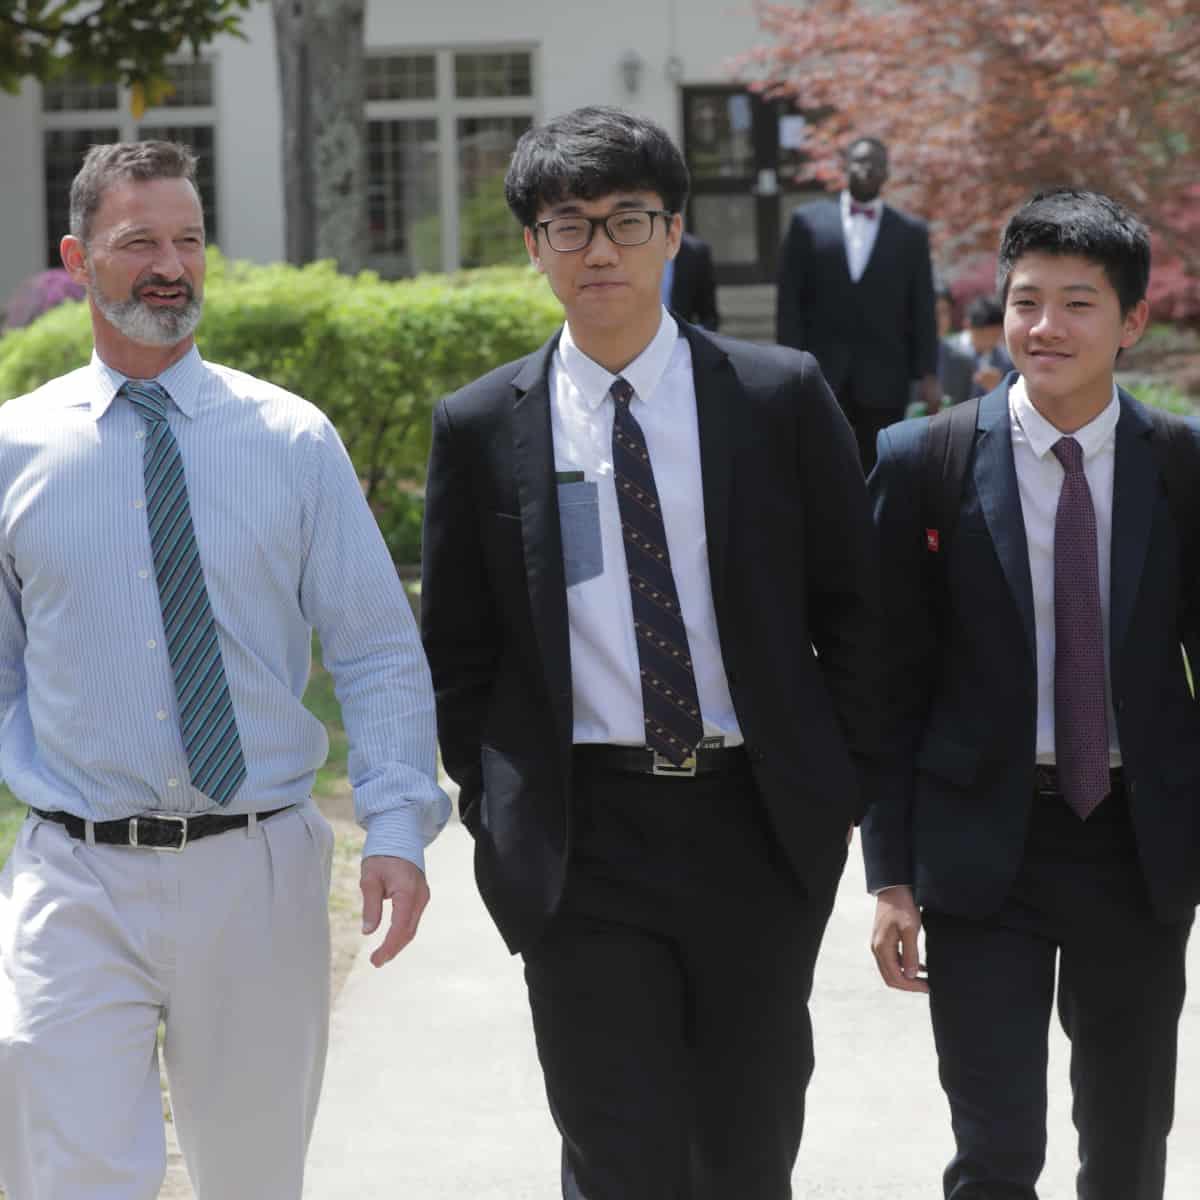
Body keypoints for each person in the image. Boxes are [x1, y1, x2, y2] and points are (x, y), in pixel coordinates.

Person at [421, 105, 881, 1200]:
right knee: (617, 1154)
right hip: (585, 840)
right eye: (566, 225)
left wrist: (834, 788)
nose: (600, 250)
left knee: (745, 1148)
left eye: (628, 220)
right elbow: (461, 652)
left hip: (753, 824)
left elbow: (857, 614)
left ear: (676, 233)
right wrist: (499, 812)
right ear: (533, 246)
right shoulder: (484, 425)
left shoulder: (778, 397)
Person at [0, 141, 449, 1199]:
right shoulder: (15, 448)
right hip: (75, 874)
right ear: (78, 257)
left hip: (254, 871)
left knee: (252, 1179)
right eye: (139, 241)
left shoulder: (292, 440)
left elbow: (377, 648)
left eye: (190, 240)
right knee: (63, 1178)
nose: (172, 265)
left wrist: (395, 825)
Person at [865, 188, 1199, 1199]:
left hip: (1136, 850)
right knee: (998, 1151)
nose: (1045, 326)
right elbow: (887, 678)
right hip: (981, 852)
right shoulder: (925, 458)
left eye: (1078, 302)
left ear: (1133, 321)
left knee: (1129, 1142)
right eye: (1026, 300)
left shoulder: (1181, 464)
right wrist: (889, 873)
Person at [776, 135, 939, 471]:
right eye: (860, 161)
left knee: (882, 468)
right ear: (844, 167)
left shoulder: (910, 232)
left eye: (876, 163)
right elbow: (790, 300)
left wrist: (928, 371)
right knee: (822, 465)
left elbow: (922, 304)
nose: (867, 169)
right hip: (820, 372)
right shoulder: (807, 222)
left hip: (886, 374)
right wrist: (788, 362)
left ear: (887, 173)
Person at [665, 228, 720, 329]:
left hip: (680, 338)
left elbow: (709, 317)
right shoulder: (630, 250)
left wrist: (690, 339)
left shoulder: (695, 252)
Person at [964, 293, 1015, 396]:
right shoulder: (948, 351)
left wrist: (997, 387)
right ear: (968, 326)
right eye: (983, 336)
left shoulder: (1008, 360)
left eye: (994, 336)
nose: (989, 342)